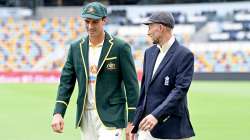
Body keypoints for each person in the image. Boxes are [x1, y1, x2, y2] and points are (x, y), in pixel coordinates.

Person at [51, 2, 139, 140]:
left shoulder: (120, 47)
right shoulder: (75, 48)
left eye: (95, 22)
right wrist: (58, 113)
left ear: (104, 20)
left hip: (112, 116)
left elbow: (132, 86)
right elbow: (66, 83)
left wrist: (133, 121)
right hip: (85, 117)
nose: (90, 26)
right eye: (87, 21)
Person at [131, 11, 195, 140]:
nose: (148, 32)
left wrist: (156, 115)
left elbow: (180, 91)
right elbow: (144, 92)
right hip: (146, 128)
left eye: (150, 27)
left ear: (161, 27)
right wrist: (135, 124)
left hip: (171, 129)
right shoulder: (149, 53)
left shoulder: (184, 55)